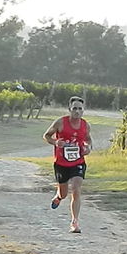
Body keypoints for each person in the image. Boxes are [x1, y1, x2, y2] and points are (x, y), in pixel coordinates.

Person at [43, 96, 92, 233]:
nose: (77, 111)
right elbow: (46, 135)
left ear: (83, 110)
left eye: (80, 109)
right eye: (74, 108)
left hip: (78, 162)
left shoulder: (85, 125)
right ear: (69, 109)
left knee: (76, 188)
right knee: (64, 193)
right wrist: (55, 142)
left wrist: (88, 147)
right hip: (61, 163)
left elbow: (88, 140)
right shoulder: (60, 122)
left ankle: (74, 222)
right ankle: (58, 196)